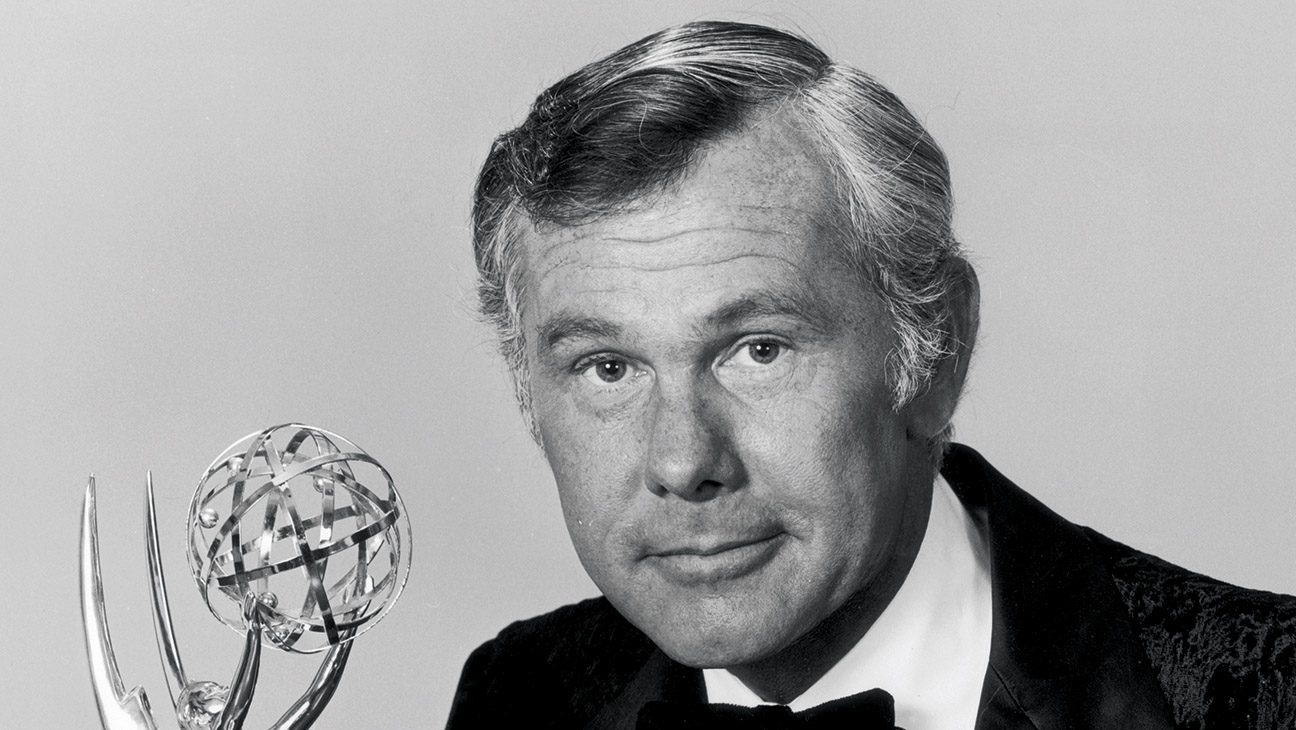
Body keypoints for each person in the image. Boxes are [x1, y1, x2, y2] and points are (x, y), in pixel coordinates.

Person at [447, 20, 1296, 730]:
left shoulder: (1270, 691)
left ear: (936, 352)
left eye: (759, 350)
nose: (682, 461)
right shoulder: (519, 695)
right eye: (608, 368)